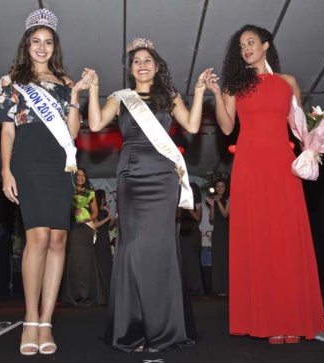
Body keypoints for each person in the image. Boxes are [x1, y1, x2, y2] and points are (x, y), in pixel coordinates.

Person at [80, 38, 212, 352]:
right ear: (130, 68)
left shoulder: (169, 96)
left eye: (147, 60)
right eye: (136, 61)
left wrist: (200, 89)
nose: (142, 65)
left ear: (156, 66)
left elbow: (192, 125)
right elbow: (96, 123)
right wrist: (94, 88)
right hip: (131, 176)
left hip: (163, 178)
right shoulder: (120, 97)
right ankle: (133, 329)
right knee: (133, 248)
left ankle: (166, 329)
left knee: (162, 248)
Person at [204, 25, 324, 344]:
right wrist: (217, 94)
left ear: (265, 45)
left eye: (251, 43)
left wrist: (315, 147)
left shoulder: (288, 84)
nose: (245, 49)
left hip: (282, 168)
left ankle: (293, 319)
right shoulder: (235, 85)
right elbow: (228, 127)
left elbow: (302, 129)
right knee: (258, 239)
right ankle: (269, 321)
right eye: (241, 45)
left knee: (285, 237)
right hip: (249, 168)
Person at [0, 8, 83, 356]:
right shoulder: (11, 81)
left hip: (60, 163)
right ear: (27, 45)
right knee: (38, 238)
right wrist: (5, 170)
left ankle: (47, 321)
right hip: (28, 162)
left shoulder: (65, 83)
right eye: (36, 42)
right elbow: (6, 130)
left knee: (59, 240)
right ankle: (30, 319)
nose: (42, 48)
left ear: (55, 46)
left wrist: (75, 98)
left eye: (48, 42)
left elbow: (73, 133)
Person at [60, 168, 105, 307]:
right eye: (78, 175)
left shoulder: (90, 193)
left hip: (85, 230)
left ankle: (88, 294)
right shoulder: (67, 191)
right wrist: (73, 212)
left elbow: (95, 212)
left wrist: (86, 220)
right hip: (72, 229)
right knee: (72, 260)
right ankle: (72, 295)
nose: (80, 177)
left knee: (86, 261)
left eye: (83, 175)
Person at [178, 183, 205, 295]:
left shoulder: (198, 204)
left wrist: (189, 208)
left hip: (192, 234)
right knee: (183, 261)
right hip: (181, 234)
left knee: (193, 262)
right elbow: (175, 217)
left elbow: (197, 218)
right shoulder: (180, 203)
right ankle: (184, 288)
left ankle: (196, 288)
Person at [206, 178, 229, 296]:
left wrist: (219, 202)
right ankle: (218, 288)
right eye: (218, 186)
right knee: (217, 259)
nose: (220, 188)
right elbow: (211, 219)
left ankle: (226, 288)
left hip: (226, 233)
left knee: (225, 259)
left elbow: (225, 214)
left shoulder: (229, 199)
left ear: (225, 188)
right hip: (217, 232)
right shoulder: (214, 200)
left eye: (222, 186)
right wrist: (211, 205)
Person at [93, 189, 113, 294]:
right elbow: (95, 225)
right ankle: (101, 290)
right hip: (99, 239)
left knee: (107, 264)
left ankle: (108, 289)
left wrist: (113, 218)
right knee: (101, 263)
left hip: (106, 238)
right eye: (103, 196)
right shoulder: (96, 211)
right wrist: (108, 217)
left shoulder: (104, 210)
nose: (104, 198)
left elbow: (109, 225)